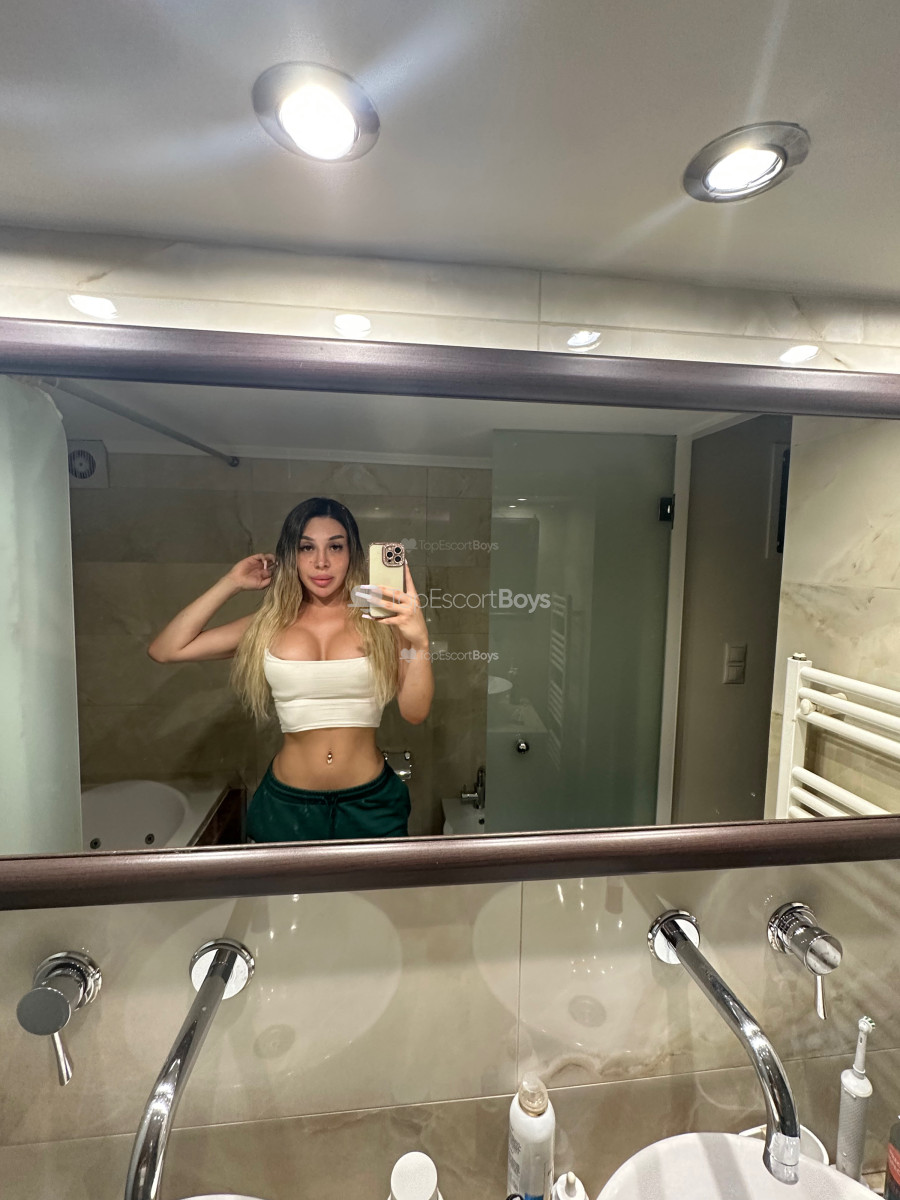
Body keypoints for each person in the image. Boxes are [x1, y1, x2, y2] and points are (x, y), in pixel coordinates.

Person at [148, 496, 433, 841]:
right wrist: (231, 582)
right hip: (286, 806)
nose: (321, 562)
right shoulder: (268, 624)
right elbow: (166, 649)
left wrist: (419, 642)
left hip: (371, 803)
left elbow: (415, 712)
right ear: (291, 555)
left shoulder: (381, 620)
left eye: (335, 547)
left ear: (352, 554)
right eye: (306, 547)